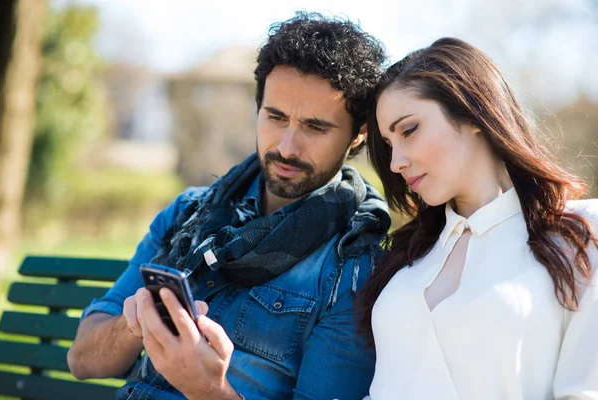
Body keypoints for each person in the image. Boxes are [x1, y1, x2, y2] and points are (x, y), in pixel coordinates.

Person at [66, 12, 391, 400]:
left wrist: (207, 389)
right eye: (275, 117)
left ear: (358, 136)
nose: (287, 147)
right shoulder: (189, 212)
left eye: (315, 127)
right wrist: (137, 323)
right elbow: (83, 361)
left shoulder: (353, 266)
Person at [358, 37, 598, 400]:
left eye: (409, 130)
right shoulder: (407, 256)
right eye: (390, 145)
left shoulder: (579, 232)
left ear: (471, 112)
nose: (396, 163)